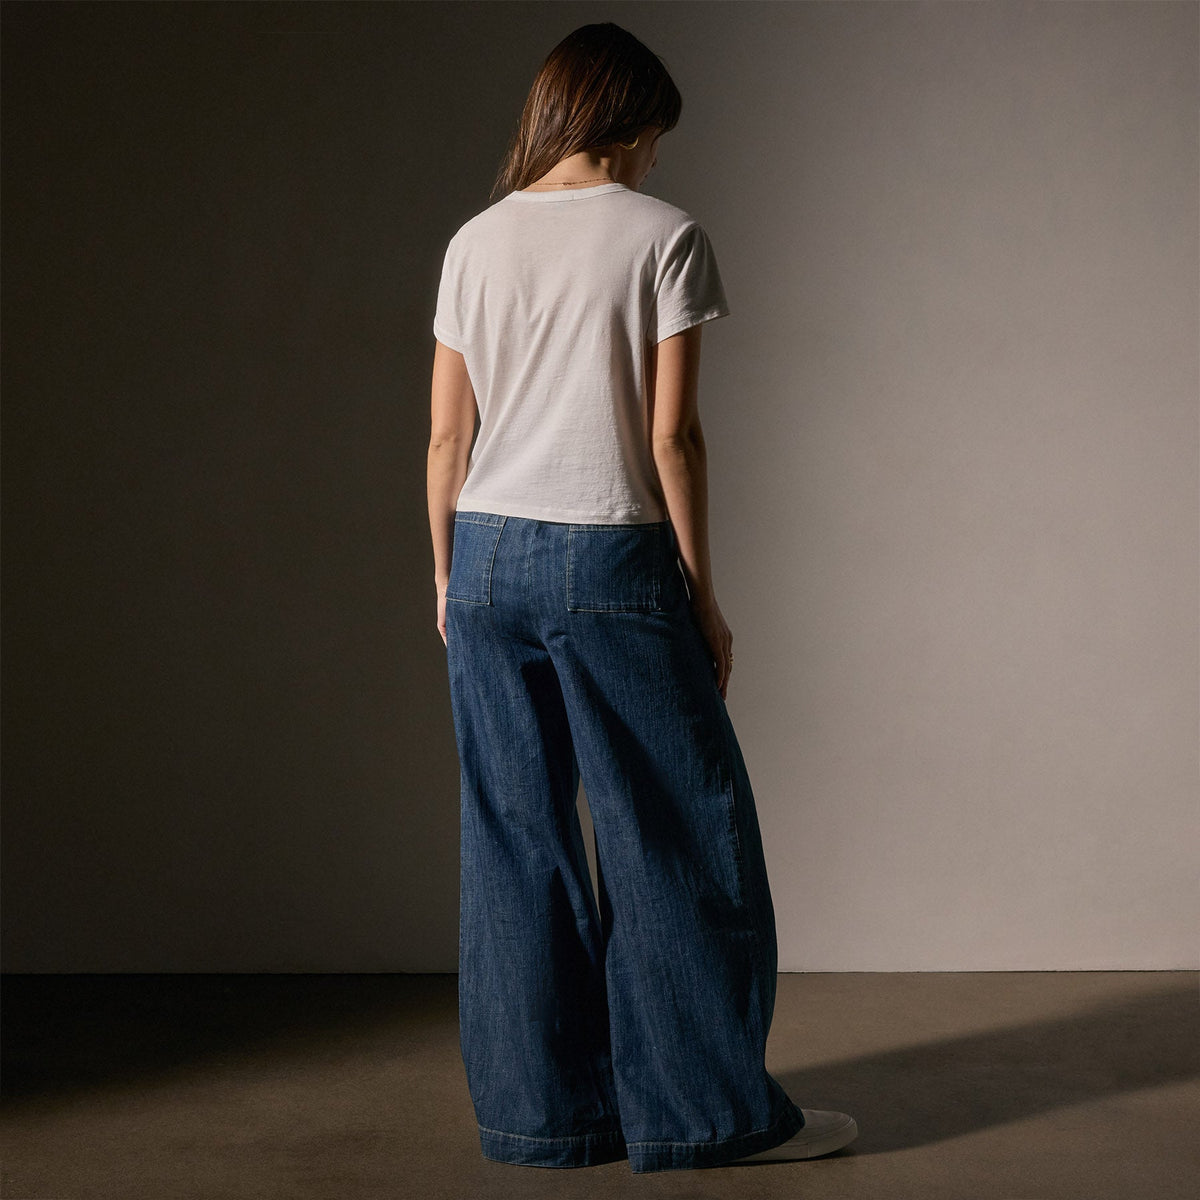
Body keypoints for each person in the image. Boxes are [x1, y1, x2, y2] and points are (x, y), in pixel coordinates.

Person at [427, 21, 858, 1174]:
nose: (660, 156)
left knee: (514, 842)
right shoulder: (665, 237)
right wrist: (703, 596)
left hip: (485, 554)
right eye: (657, 133)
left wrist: (447, 576)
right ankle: (705, 1119)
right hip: (612, 555)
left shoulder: (475, 240)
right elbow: (673, 438)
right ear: (626, 121)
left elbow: (446, 438)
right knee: (674, 832)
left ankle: (546, 1122)